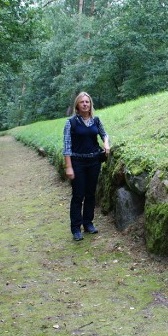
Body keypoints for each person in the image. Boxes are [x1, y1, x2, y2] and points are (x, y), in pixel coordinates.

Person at [63, 92, 110, 241]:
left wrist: (106, 144)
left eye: (87, 102)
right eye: (82, 102)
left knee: (90, 194)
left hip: (94, 162)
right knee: (78, 196)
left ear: (90, 104)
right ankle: (76, 228)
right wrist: (68, 167)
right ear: (77, 105)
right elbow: (67, 147)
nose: (85, 104)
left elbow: (104, 134)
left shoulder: (96, 120)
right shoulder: (71, 123)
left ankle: (88, 223)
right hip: (77, 163)